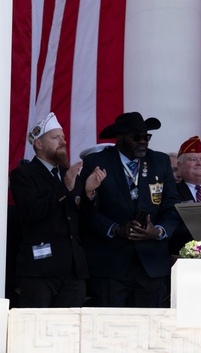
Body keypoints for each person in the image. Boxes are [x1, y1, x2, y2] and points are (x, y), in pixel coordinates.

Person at [79, 112, 181, 307]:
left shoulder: (159, 162)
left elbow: (172, 207)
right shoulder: (97, 163)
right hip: (111, 265)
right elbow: (86, 212)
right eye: (136, 137)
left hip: (151, 266)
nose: (143, 142)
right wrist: (116, 228)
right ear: (119, 138)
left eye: (146, 137)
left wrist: (158, 231)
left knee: (151, 328)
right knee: (110, 329)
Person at [9, 113, 106, 307]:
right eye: (55, 138)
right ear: (38, 144)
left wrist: (89, 193)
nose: (63, 141)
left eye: (63, 137)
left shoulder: (67, 173)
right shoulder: (23, 174)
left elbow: (84, 221)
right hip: (39, 270)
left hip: (73, 270)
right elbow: (31, 211)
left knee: (69, 330)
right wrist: (64, 188)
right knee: (37, 329)